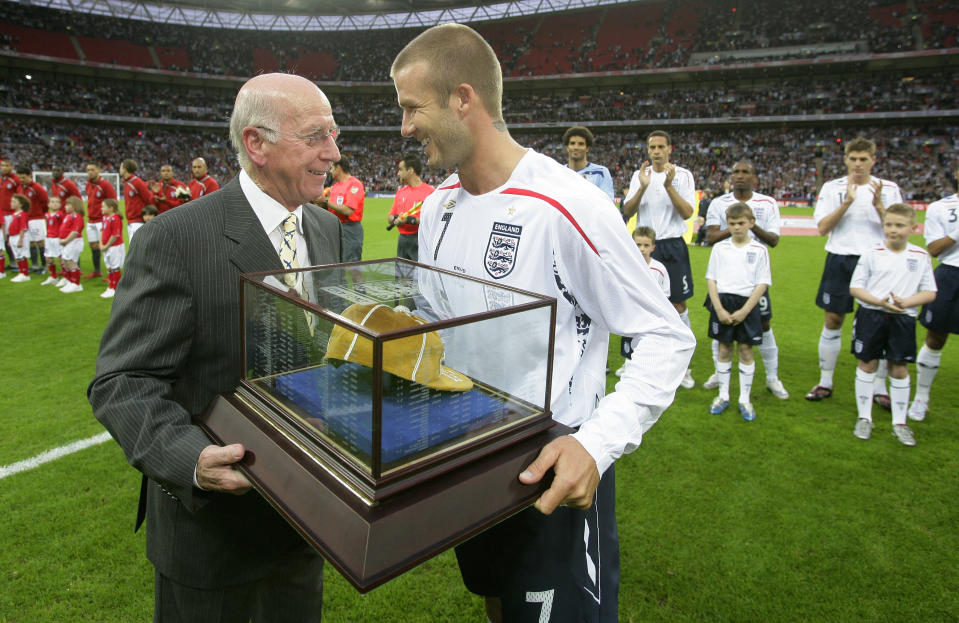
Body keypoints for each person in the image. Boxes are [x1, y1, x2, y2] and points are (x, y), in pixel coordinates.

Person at [391, 24, 695, 623]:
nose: (403, 128)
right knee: (497, 599)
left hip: (553, 459)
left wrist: (594, 444)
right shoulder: (441, 206)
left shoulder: (568, 205)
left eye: (411, 108)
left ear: (463, 98)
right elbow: (437, 313)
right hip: (468, 447)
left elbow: (665, 336)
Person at [88, 73, 342, 622]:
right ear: (256, 143)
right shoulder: (175, 238)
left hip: (303, 526)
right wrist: (193, 460)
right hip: (212, 540)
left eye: (334, 134)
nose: (333, 152)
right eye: (316, 135)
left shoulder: (326, 228)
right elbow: (122, 382)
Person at [806, 137, 903, 404]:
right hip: (841, 259)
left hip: (878, 262)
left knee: (881, 322)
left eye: (864, 159)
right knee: (833, 320)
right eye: (853, 159)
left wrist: (880, 207)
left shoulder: (888, 189)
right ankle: (825, 381)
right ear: (846, 160)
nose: (858, 164)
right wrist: (847, 202)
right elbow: (823, 228)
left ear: (873, 160)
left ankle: (879, 387)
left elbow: (898, 230)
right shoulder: (832, 187)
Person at [848, 204, 936, 446]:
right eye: (889, 224)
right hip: (871, 315)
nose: (893, 230)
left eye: (899, 225)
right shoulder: (871, 253)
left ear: (913, 228)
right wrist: (879, 302)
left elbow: (930, 291)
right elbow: (855, 288)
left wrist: (907, 302)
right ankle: (864, 417)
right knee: (867, 364)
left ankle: (900, 422)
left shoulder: (919, 256)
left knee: (899, 368)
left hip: (903, 318)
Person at [702, 161, 788, 399]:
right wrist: (735, 228)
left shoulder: (767, 203)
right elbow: (710, 237)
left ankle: (772, 377)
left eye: (745, 172)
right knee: (721, 328)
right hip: (725, 276)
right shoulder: (719, 203)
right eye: (736, 172)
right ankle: (720, 376)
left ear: (754, 177)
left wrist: (749, 225)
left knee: (764, 325)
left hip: (753, 277)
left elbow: (773, 240)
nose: (739, 176)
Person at [622, 130, 697, 388]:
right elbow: (627, 210)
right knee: (641, 302)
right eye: (652, 147)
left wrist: (667, 185)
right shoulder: (639, 176)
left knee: (677, 305)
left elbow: (688, 212)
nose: (656, 151)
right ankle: (634, 358)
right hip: (644, 247)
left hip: (673, 245)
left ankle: (683, 365)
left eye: (660, 147)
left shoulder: (682, 175)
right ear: (648, 149)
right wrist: (642, 187)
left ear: (669, 149)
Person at [704, 203, 771, 421]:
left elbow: (762, 284)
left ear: (751, 223)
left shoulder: (759, 250)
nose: (737, 228)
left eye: (741, 223)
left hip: (747, 304)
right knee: (724, 349)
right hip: (723, 301)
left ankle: (744, 399)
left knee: (746, 350)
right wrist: (719, 309)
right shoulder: (719, 248)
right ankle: (723, 395)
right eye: (732, 224)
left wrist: (744, 311)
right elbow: (711, 279)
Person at [908, 167, 959, 422]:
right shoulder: (940, 208)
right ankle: (921, 398)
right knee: (936, 338)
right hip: (951, 274)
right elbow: (935, 249)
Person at [615, 226, 672, 377]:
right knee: (629, 349)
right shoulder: (626, 267)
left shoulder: (659, 269)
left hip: (651, 319)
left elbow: (665, 296)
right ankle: (628, 367)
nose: (641, 249)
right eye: (638, 245)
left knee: (647, 350)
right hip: (631, 318)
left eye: (646, 245)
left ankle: (644, 374)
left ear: (653, 247)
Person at [318, 154, 365, 262]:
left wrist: (325, 201)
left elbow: (348, 211)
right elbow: (331, 209)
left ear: (339, 168)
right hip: (335, 228)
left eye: (332, 168)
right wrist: (320, 203)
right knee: (337, 266)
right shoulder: (335, 186)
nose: (330, 171)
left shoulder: (354, 184)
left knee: (353, 267)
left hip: (350, 229)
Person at [388, 154, 434, 261]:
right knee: (401, 276)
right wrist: (396, 218)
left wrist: (409, 220)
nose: (398, 173)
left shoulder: (430, 193)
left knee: (419, 275)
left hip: (420, 239)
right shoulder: (401, 192)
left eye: (400, 169)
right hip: (402, 240)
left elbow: (433, 222)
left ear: (410, 171)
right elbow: (390, 217)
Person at [563, 125, 615, 201]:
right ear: (567, 147)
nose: (576, 147)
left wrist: (587, 191)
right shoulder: (558, 171)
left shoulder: (601, 172)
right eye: (572, 143)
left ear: (587, 148)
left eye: (581, 144)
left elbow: (608, 205)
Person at [84, 162, 117, 279]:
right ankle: (97, 270)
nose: (89, 172)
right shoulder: (88, 184)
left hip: (101, 220)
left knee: (105, 246)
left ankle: (111, 272)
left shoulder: (105, 185)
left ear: (98, 170)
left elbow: (113, 202)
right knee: (93, 245)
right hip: (90, 220)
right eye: (88, 170)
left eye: (92, 169)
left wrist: (108, 218)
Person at [17, 165, 49, 274]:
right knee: (30, 242)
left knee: (40, 242)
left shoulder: (36, 187)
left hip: (37, 218)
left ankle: (45, 266)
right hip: (25, 218)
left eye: (24, 177)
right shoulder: (20, 187)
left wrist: (40, 213)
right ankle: (35, 265)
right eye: (20, 177)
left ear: (30, 175)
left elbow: (45, 202)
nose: (22, 180)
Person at [120, 158, 155, 240]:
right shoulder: (127, 182)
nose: (120, 169)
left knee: (137, 250)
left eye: (121, 167)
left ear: (125, 169)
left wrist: (146, 217)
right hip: (131, 221)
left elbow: (149, 199)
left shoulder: (137, 182)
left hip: (138, 221)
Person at [58, 196, 85, 293]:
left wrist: (65, 240)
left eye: (68, 205)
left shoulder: (77, 217)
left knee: (71, 262)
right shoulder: (68, 216)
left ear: (75, 206)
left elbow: (75, 232)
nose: (65, 206)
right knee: (65, 261)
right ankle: (70, 281)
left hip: (74, 242)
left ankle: (77, 284)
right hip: (67, 242)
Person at [99, 198, 124, 298]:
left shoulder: (116, 218)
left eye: (103, 206)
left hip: (115, 246)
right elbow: (102, 231)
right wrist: (101, 244)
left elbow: (115, 235)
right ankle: (110, 286)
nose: (101, 208)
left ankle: (116, 288)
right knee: (109, 267)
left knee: (115, 266)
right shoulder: (105, 218)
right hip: (106, 247)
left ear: (111, 208)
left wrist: (106, 245)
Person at [40, 195, 63, 286]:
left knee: (60, 258)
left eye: (57, 202)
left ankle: (65, 277)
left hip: (57, 238)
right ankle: (53, 276)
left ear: (60, 205)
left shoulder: (60, 215)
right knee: (48, 257)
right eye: (52, 202)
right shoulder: (47, 215)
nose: (54, 204)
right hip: (49, 238)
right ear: (48, 204)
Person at [1, 158, 19, 271]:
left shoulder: (15, 179)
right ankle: (12, 262)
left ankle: (19, 262)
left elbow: (20, 196)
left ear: (11, 167)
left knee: (13, 238)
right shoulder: (2, 179)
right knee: (5, 238)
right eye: (2, 165)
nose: (3, 168)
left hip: (12, 214)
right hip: (2, 213)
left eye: (6, 165)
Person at [8, 193, 30, 282]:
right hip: (13, 237)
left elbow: (23, 228)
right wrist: (10, 239)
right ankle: (21, 272)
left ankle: (25, 274)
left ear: (20, 204)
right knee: (17, 256)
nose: (11, 203)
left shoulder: (22, 214)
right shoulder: (14, 214)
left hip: (19, 236)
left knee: (21, 255)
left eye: (14, 201)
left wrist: (20, 240)